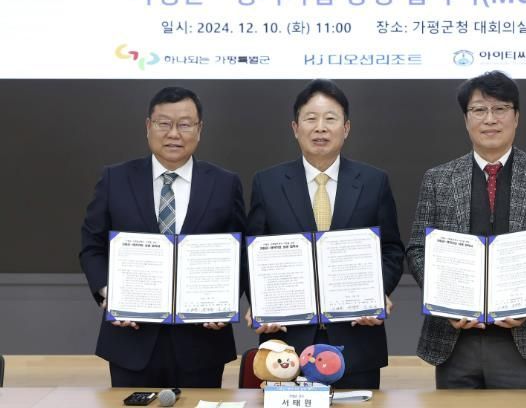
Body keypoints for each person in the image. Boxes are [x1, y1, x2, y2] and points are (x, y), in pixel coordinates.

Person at [406, 71, 526, 389]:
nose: (490, 119)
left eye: (500, 109)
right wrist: (443, 300)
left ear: (516, 117)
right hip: (454, 338)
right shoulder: (438, 178)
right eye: (479, 110)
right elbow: (418, 249)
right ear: (466, 119)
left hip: (523, 337)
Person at [79, 86, 245, 388]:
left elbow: (240, 254)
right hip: (131, 340)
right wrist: (110, 293)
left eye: (185, 124)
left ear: (199, 129)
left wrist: (227, 301)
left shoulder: (225, 183)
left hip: (202, 341)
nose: (174, 134)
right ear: (148, 126)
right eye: (164, 123)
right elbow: (92, 246)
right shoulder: (115, 179)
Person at [246, 79, 405, 389]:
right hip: (287, 344)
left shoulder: (373, 181)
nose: (320, 127)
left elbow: (391, 249)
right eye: (311, 118)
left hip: (356, 339)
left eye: (330, 118)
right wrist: (261, 303)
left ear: (346, 128)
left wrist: (376, 294)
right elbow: (252, 254)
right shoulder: (268, 183)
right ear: (295, 128)